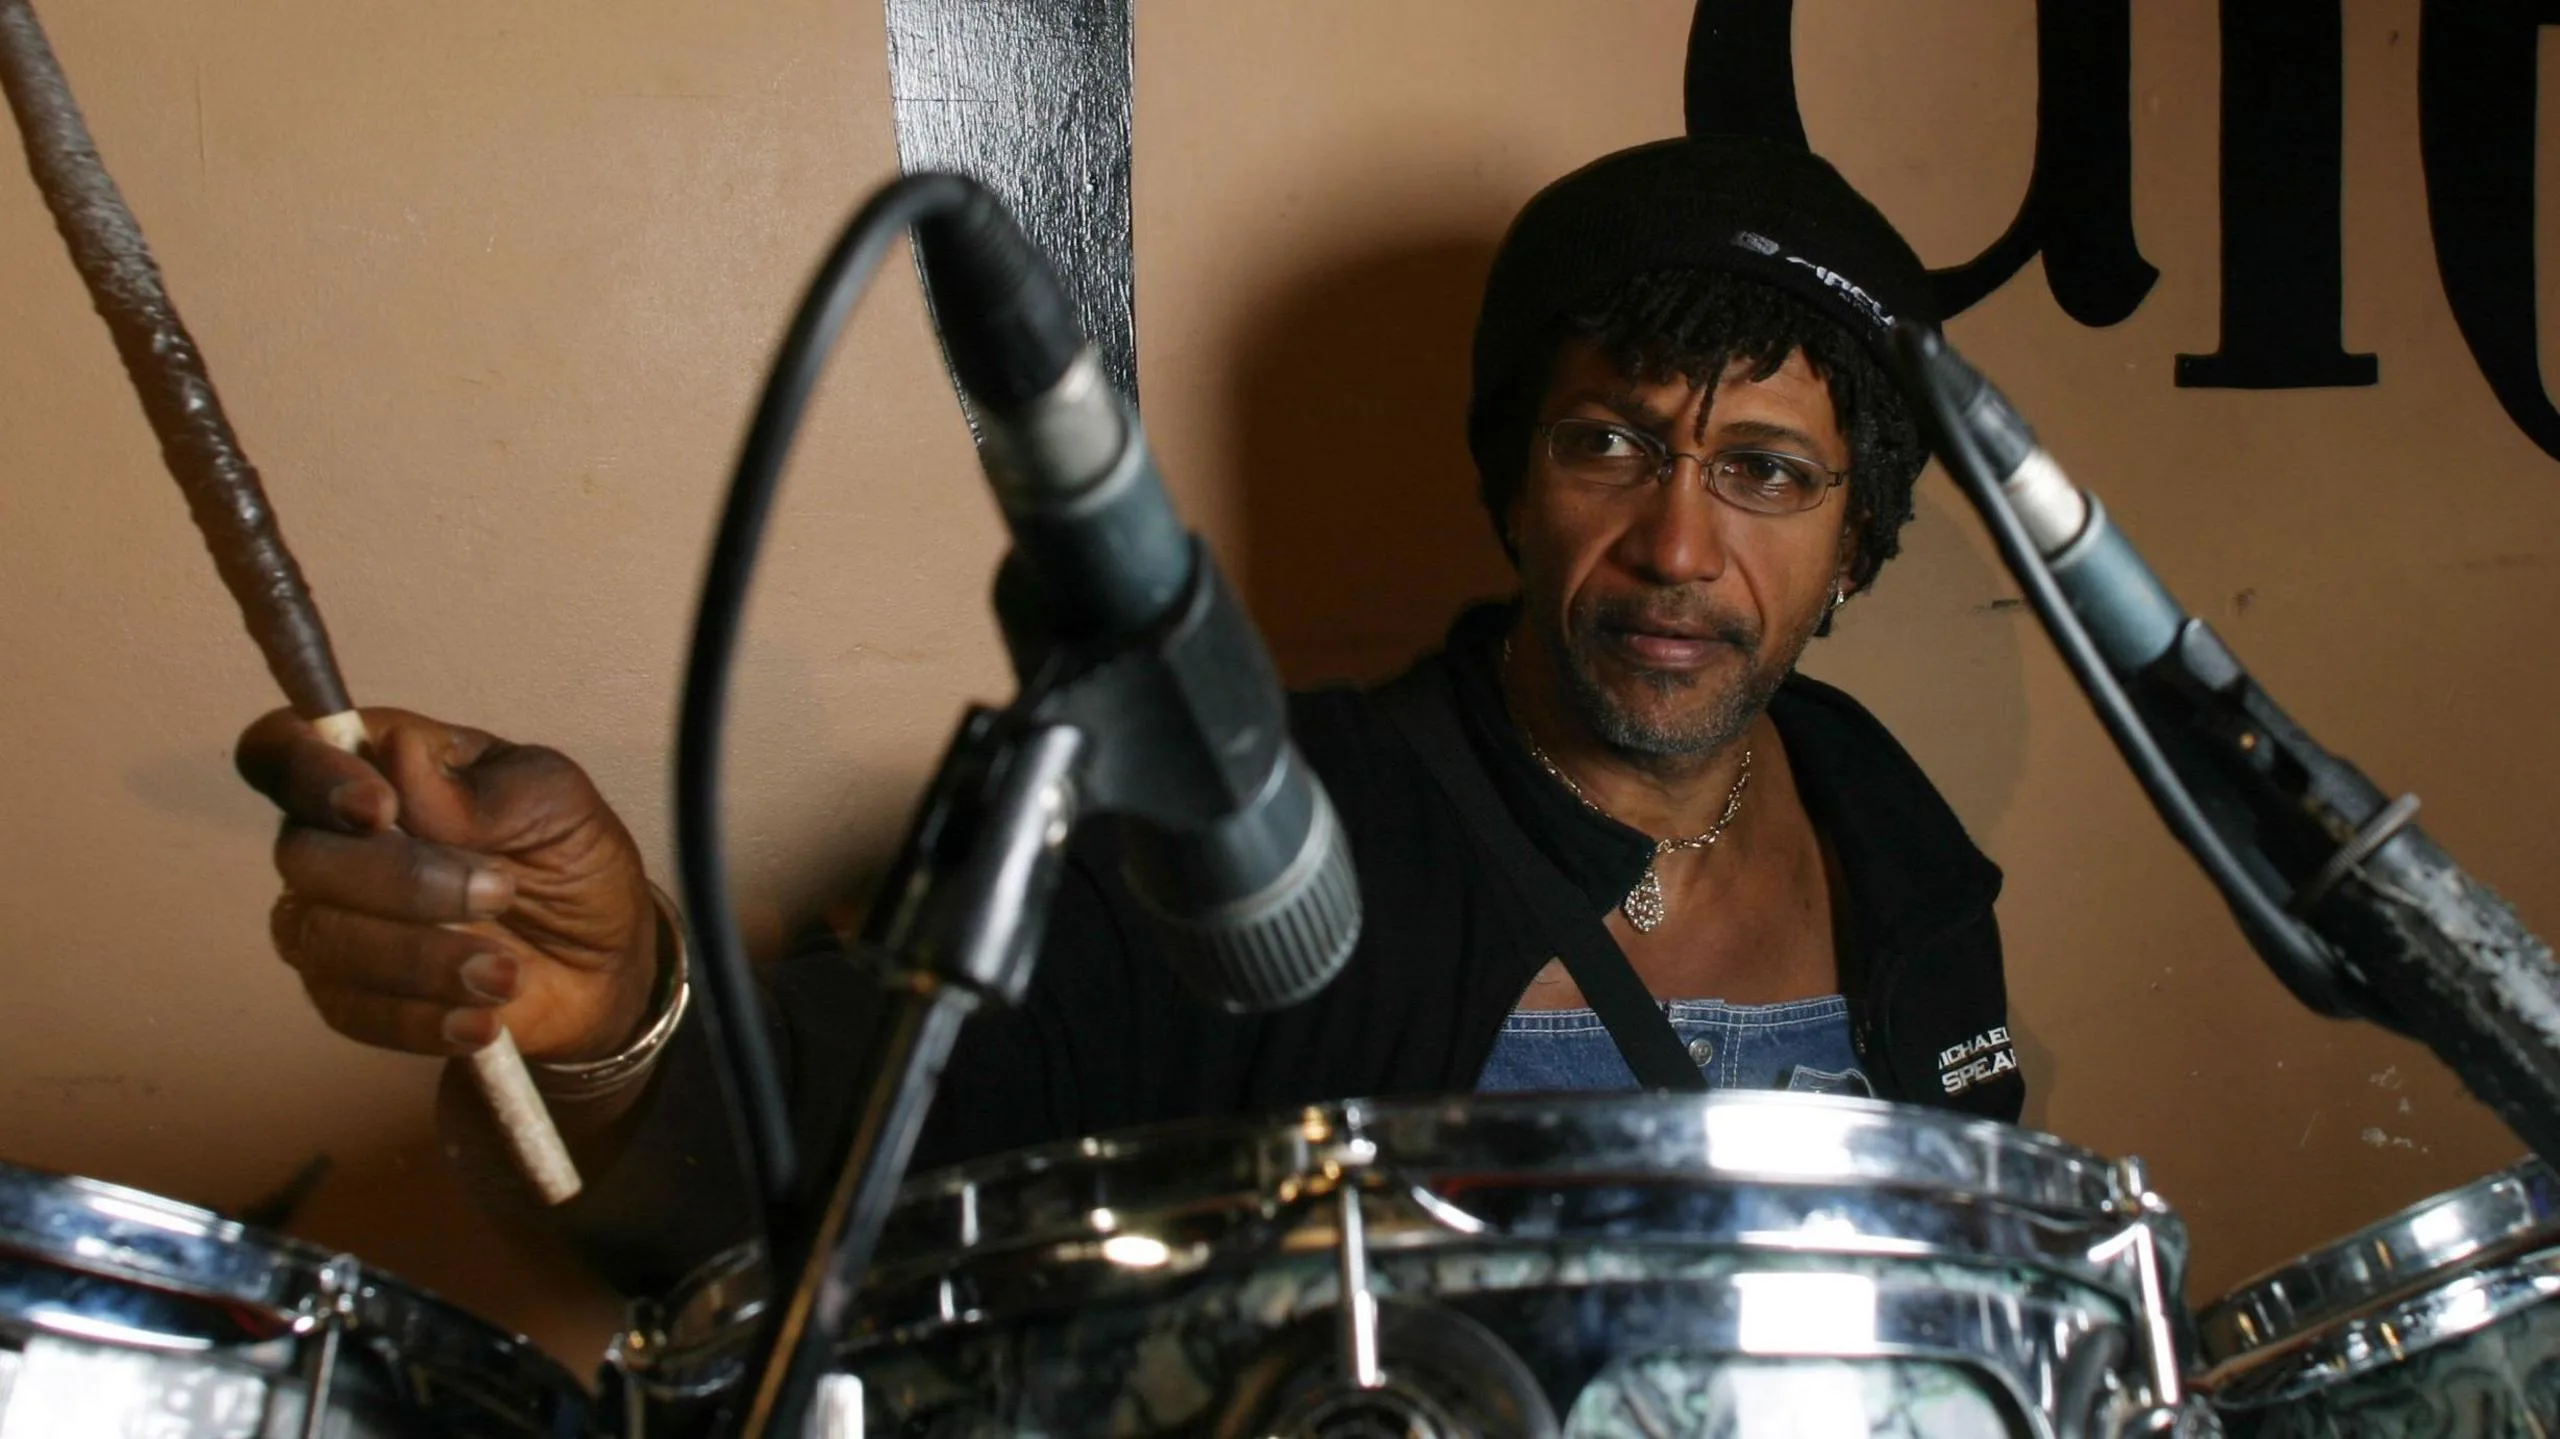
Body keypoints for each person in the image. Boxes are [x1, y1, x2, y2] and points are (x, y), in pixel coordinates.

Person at [234, 134, 2019, 1291]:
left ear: (1855, 536)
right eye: (1608, 441)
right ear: (1514, 479)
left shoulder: (1896, 843)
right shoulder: (1252, 830)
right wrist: (613, 1004)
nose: (1679, 546)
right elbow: (799, 1181)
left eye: (1766, 471)